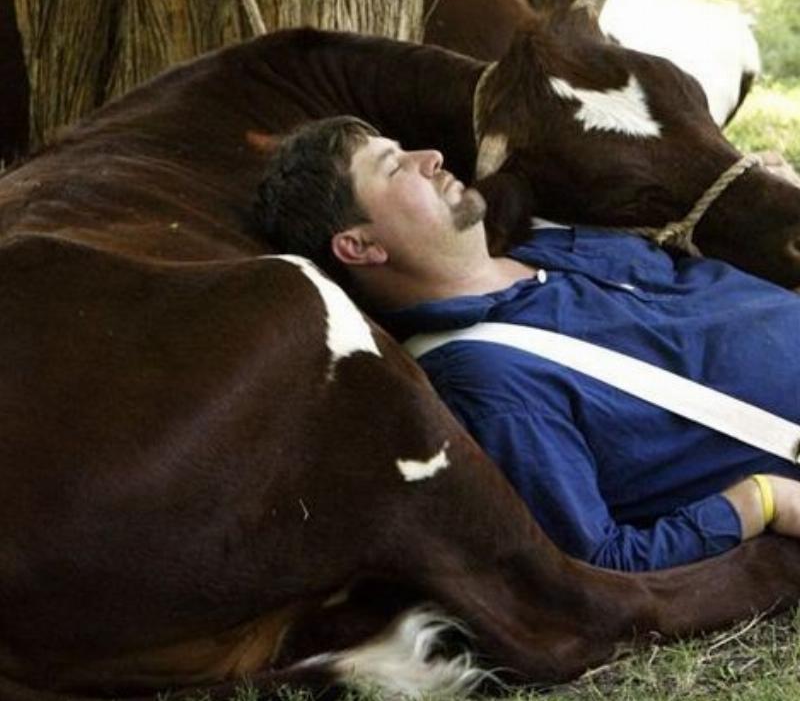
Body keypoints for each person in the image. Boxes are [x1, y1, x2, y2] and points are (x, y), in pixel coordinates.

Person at [252, 115, 800, 572]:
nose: (432, 157)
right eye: (395, 167)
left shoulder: (546, 241)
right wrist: (761, 501)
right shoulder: (489, 378)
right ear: (360, 246)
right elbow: (599, 561)